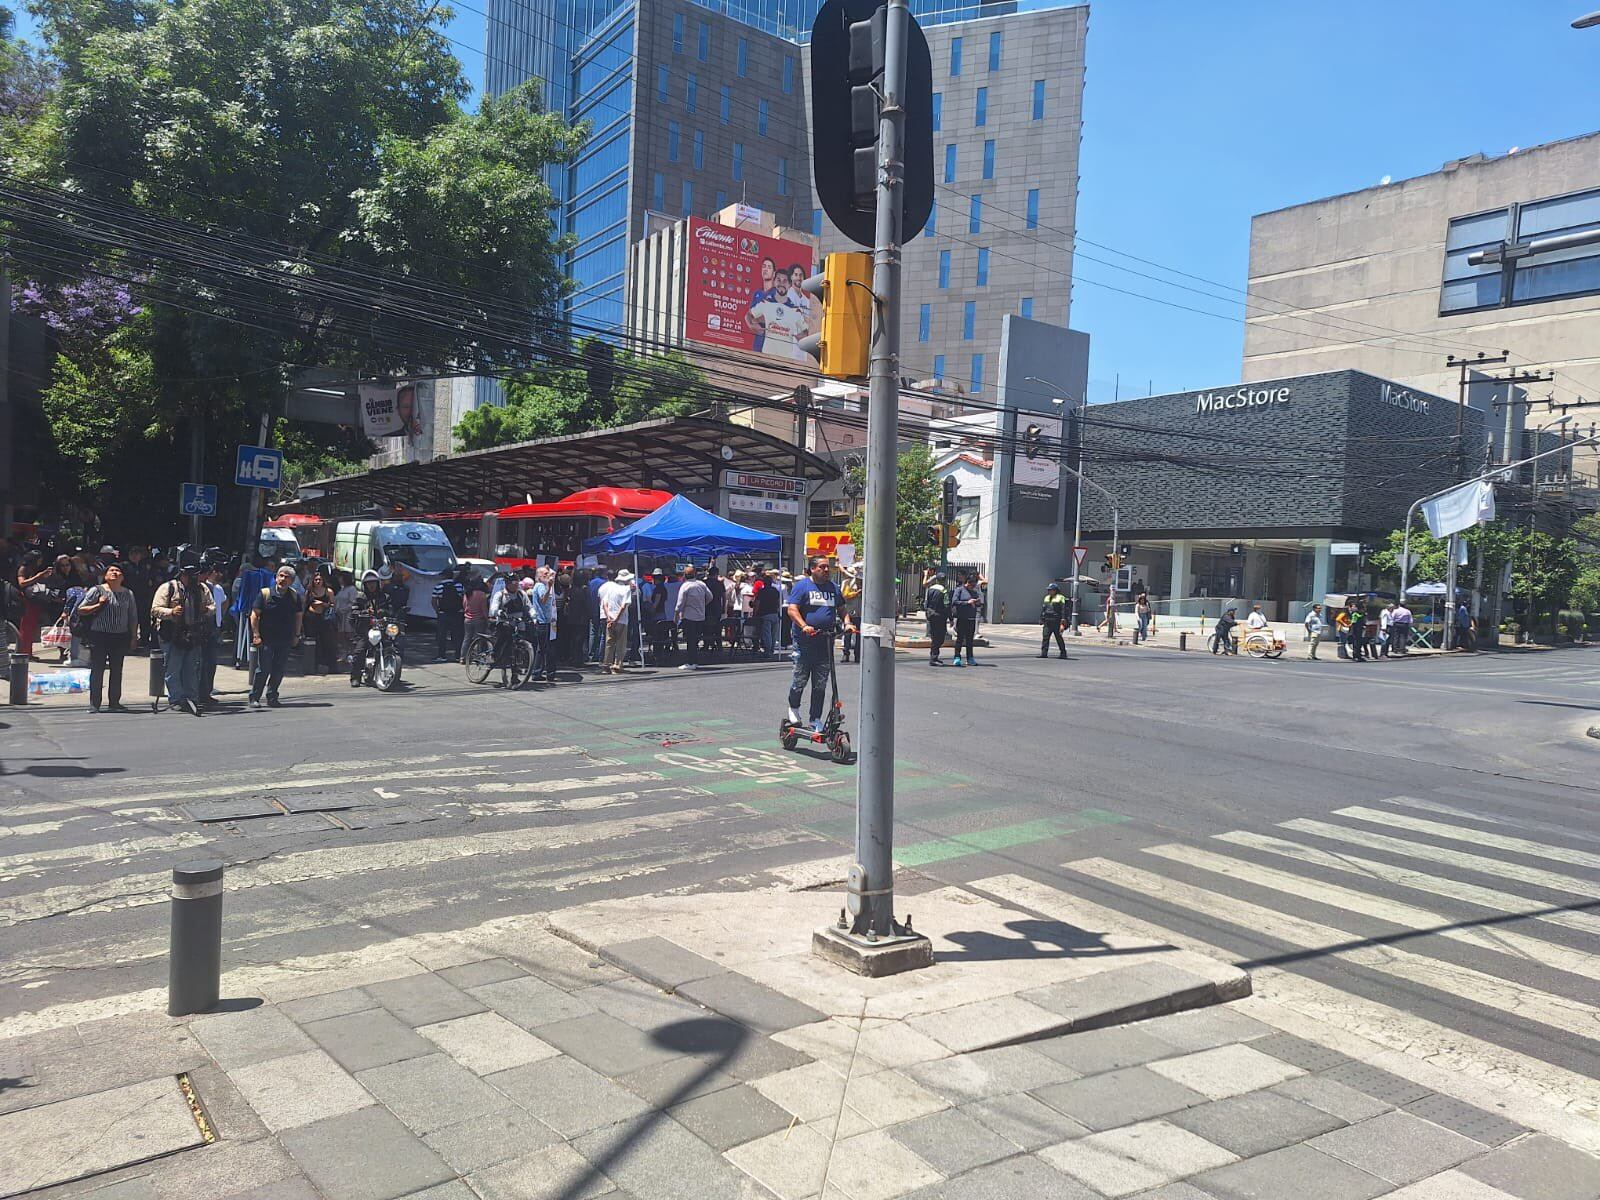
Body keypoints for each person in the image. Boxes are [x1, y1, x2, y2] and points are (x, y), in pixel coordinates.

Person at [151, 551, 215, 715]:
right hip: (172, 633)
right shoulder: (169, 587)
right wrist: (171, 612)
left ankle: (191, 698)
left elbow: (213, 607)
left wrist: (205, 609)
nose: (191, 578)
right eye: (188, 574)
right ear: (182, 573)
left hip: (193, 633)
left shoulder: (202, 589)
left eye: (194, 574)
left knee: (192, 668)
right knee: (173, 668)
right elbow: (155, 609)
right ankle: (177, 699)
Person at [785, 557, 843, 732]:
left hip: (825, 643)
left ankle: (815, 718)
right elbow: (792, 609)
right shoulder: (802, 587)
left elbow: (842, 609)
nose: (826, 570)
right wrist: (804, 626)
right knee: (800, 680)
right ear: (812, 569)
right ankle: (793, 709)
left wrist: (847, 623)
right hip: (804, 643)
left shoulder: (834, 588)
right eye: (822, 567)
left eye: (828, 567)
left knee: (820, 684)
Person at [75, 562, 138, 713]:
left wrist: (134, 636)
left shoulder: (128, 593)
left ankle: (114, 702)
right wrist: (98, 605)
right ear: (105, 575)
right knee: (97, 669)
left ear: (122, 577)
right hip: (99, 635)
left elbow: (133, 616)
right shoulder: (97, 591)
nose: (115, 573)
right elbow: (81, 609)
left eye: (118, 571)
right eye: (111, 571)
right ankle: (94, 703)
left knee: (117, 670)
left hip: (120, 636)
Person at [250, 564, 303, 708]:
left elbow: (299, 616)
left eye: (287, 577)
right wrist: (256, 635)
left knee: (278, 669)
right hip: (266, 639)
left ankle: (272, 696)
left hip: (285, 639)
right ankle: (254, 697)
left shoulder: (294, 596)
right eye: (281, 576)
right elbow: (254, 615)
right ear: (276, 577)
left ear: (292, 581)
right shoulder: (265, 593)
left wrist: (297, 635)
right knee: (263, 669)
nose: (283, 579)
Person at [348, 570, 387, 686]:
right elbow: (354, 611)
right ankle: (355, 676)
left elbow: (391, 610)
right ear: (364, 584)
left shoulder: (384, 597)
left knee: (395, 643)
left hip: (381, 628)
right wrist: (365, 612)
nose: (371, 585)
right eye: (369, 583)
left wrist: (383, 612)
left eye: (374, 582)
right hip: (364, 629)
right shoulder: (360, 597)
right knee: (359, 651)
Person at [199, 558, 229, 704]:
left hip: (214, 628)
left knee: (211, 662)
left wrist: (219, 618)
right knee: (200, 662)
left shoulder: (217, 588)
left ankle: (206, 692)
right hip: (200, 629)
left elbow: (224, 602)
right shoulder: (200, 588)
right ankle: (197, 692)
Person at [675, 564, 712, 670]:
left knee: (690, 640)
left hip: (689, 617)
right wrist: (702, 604)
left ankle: (691, 662)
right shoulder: (701, 584)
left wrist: (676, 616)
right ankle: (694, 661)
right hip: (700, 616)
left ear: (685, 575)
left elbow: (679, 604)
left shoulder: (685, 586)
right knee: (695, 640)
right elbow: (710, 597)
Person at [599, 569, 634, 674]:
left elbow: (604, 603)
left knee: (609, 642)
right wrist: (617, 618)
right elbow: (624, 606)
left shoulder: (611, 588)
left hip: (610, 618)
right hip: (621, 620)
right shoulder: (626, 590)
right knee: (620, 643)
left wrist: (609, 617)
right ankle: (617, 665)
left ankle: (606, 665)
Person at [303, 570, 339, 675]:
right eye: (316, 580)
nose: (318, 581)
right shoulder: (309, 591)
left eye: (320, 580)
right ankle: (312, 666)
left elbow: (333, 605)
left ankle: (331, 666)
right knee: (312, 643)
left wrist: (323, 604)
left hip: (324, 619)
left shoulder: (328, 591)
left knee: (327, 642)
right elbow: (304, 604)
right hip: (311, 619)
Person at [530, 565, 559, 682]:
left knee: (543, 648)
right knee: (544, 648)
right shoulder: (541, 586)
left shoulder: (544, 585)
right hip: (542, 622)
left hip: (547, 621)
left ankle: (538, 671)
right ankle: (539, 672)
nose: (547, 576)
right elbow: (543, 600)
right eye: (545, 574)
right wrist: (550, 586)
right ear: (538, 576)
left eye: (548, 574)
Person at [432, 568, 466, 662]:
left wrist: (438, 611)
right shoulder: (459, 585)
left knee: (441, 635)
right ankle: (458, 655)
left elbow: (434, 600)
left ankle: (442, 655)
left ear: (444, 576)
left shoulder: (438, 586)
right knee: (458, 635)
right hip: (457, 614)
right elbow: (464, 599)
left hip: (443, 614)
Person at [951, 573, 982, 666]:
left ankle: (970, 658)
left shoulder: (974, 592)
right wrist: (967, 602)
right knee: (960, 639)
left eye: (974, 585)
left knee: (970, 640)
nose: (972, 587)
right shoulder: (959, 590)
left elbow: (978, 603)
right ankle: (957, 657)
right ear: (968, 583)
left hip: (971, 618)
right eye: (971, 585)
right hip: (962, 618)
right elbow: (954, 602)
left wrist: (977, 603)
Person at [462, 571, 490, 662]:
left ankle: (463, 657)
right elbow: (484, 609)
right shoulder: (482, 594)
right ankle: (477, 657)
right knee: (479, 639)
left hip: (467, 619)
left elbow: (464, 605)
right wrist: (487, 619)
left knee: (467, 638)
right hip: (479, 619)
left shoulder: (467, 594)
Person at [923, 573, 950, 666]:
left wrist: (927, 612)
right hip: (940, 616)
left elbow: (926, 603)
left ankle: (934, 656)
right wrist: (950, 618)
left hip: (931, 615)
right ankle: (933, 658)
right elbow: (946, 605)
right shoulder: (944, 590)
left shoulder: (930, 589)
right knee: (939, 637)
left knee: (935, 637)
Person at [756, 567, 782, 657]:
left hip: (765, 614)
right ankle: (772, 649)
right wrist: (779, 612)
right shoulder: (775, 591)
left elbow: (758, 603)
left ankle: (768, 650)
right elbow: (779, 602)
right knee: (774, 634)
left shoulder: (762, 591)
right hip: (775, 613)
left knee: (767, 634)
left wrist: (755, 613)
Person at [1040, 582, 1069, 658]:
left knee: (1058, 638)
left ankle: (1063, 653)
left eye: (1051, 590)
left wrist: (1063, 620)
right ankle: (1044, 653)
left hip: (1056, 621)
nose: (1050, 591)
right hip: (1047, 621)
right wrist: (1041, 618)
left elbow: (1063, 609)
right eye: (1049, 590)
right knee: (1045, 637)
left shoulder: (1060, 597)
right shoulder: (1046, 597)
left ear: (1055, 590)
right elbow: (1043, 609)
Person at [586, 568, 608, 663]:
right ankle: (600, 654)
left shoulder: (590, 583)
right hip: (602, 611)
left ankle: (591, 654)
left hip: (591, 610)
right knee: (603, 634)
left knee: (593, 633)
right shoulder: (605, 583)